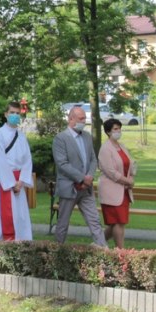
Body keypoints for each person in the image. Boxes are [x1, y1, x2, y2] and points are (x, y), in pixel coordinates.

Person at [52, 105, 106, 247]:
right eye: (81, 119)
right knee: (63, 223)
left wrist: (89, 176)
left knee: (95, 221)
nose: (84, 121)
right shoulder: (61, 138)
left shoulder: (87, 136)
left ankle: (103, 249)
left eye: (84, 118)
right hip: (69, 188)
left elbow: (93, 159)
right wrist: (82, 177)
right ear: (71, 119)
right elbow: (62, 164)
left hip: (86, 189)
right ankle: (57, 251)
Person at [0, 102, 34, 241]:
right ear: (6, 114)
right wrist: (11, 183)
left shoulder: (22, 136)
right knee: (4, 219)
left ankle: (21, 243)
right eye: (12, 112)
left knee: (20, 218)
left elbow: (27, 160)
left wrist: (22, 181)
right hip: (5, 183)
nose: (15, 115)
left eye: (17, 113)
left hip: (18, 183)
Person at [98, 118, 136, 249]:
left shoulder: (122, 146)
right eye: (115, 129)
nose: (118, 131)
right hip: (111, 191)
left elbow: (130, 164)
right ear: (108, 132)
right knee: (117, 221)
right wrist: (127, 181)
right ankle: (120, 251)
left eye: (119, 129)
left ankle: (98, 243)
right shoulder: (105, 149)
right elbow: (110, 171)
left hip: (124, 191)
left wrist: (131, 177)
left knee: (119, 222)